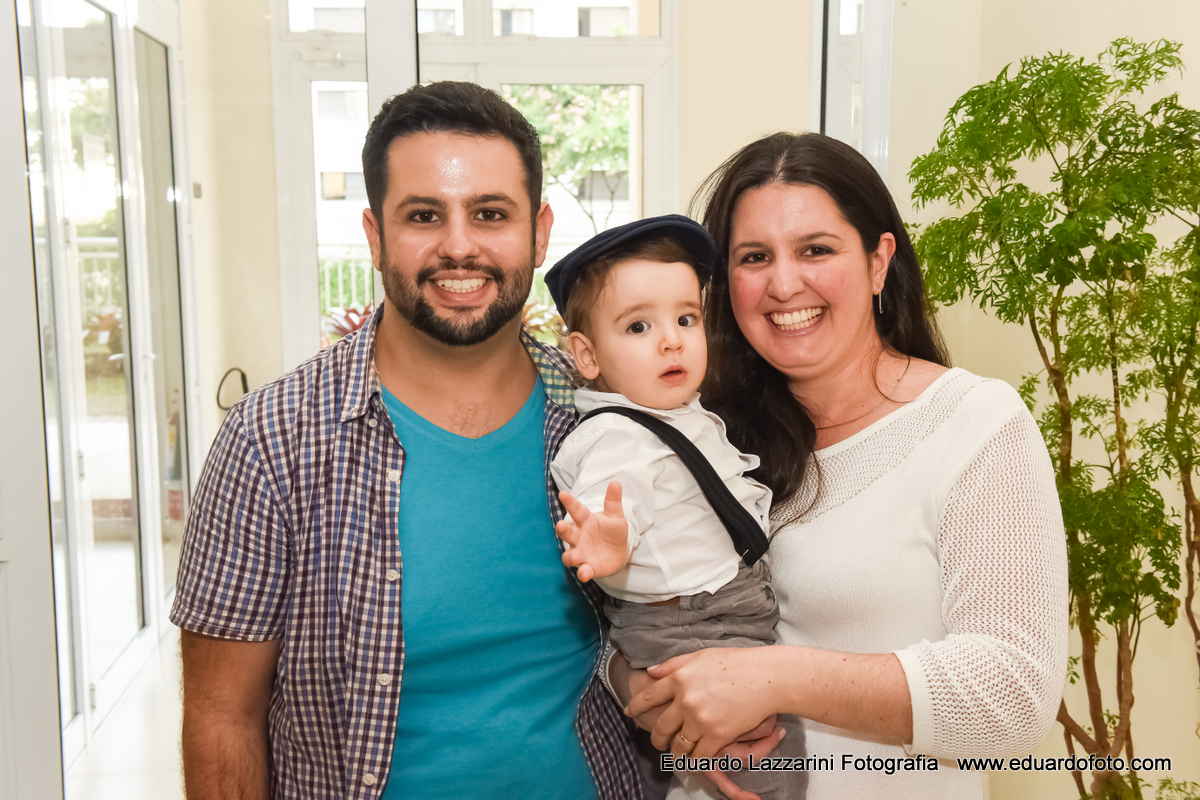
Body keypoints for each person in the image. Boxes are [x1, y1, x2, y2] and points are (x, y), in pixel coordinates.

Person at [170, 81, 644, 800]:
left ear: (540, 232)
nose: (459, 246)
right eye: (424, 215)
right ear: (375, 236)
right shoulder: (272, 442)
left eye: (490, 214)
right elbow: (220, 718)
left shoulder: (602, 422)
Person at [621, 132, 1070, 799]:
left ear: (878, 260)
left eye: (815, 250)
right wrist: (650, 690)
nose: (782, 283)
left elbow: (1015, 692)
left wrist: (774, 680)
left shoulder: (974, 424)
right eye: (753, 257)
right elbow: (619, 616)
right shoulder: (703, 435)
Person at [543, 215, 806, 800]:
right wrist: (612, 538)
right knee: (766, 767)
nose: (672, 339)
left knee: (763, 753)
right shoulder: (616, 435)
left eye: (686, 318)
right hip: (691, 625)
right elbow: (616, 499)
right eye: (639, 325)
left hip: (719, 612)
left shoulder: (678, 413)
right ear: (586, 355)